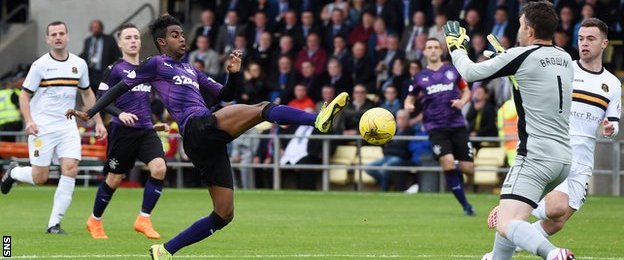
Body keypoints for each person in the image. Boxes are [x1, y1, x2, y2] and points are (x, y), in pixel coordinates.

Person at [64, 15, 349, 259]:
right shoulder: (155, 64)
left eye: (182, 34)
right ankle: (317, 120)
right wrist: (91, 113)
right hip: (196, 127)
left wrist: (233, 75)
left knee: (224, 214)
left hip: (204, 141)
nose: (182, 39)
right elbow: (118, 89)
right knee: (262, 109)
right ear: (162, 42)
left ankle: (164, 251)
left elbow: (226, 95)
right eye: (175, 35)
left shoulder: (191, 70)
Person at [443, 1, 576, 258]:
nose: (518, 29)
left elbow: (469, 73)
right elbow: (536, 86)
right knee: (507, 223)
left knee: (506, 223)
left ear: (529, 29)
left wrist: (456, 47)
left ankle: (552, 254)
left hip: (535, 157)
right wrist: (513, 71)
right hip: (562, 159)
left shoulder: (520, 55)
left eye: (520, 25)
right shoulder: (565, 58)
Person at [488, 17, 622, 256]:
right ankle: (512, 210)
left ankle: (509, 237)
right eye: (580, 39)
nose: (584, 44)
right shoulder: (565, 68)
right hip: (555, 149)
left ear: (604, 44)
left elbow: (613, 122)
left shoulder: (612, 84)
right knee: (554, 207)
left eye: (591, 39)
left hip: (583, 160)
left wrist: (611, 128)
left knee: (557, 220)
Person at [1, 21, 107, 234]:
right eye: (53, 34)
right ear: (48, 39)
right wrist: (29, 120)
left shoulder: (79, 64)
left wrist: (98, 122)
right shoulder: (40, 65)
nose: (58, 37)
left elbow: (86, 94)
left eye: (61, 33)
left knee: (70, 169)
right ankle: (14, 172)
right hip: (43, 128)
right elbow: (24, 95)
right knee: (40, 177)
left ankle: (54, 224)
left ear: (67, 36)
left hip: (68, 127)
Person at [84, 23, 170, 240]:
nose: (133, 40)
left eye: (135, 37)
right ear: (120, 43)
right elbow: (102, 100)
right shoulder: (114, 70)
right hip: (122, 132)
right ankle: (94, 220)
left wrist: (154, 124)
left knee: (159, 168)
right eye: (128, 38)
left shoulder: (147, 68)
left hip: (145, 131)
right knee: (114, 178)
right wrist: (119, 113)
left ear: (140, 42)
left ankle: (144, 219)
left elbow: (144, 103)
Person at [404, 37, 475, 216]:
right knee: (448, 162)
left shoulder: (452, 70)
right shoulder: (419, 77)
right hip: (435, 127)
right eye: (430, 47)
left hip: (457, 124)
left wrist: (462, 102)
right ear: (425, 52)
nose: (433, 50)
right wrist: (408, 105)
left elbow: (466, 90)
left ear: (441, 50)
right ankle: (466, 205)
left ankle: (453, 171)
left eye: (436, 47)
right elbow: (409, 97)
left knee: (468, 168)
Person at [364, 109, 413, 191]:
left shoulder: (410, 131)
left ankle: (384, 189)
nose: (401, 120)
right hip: (386, 156)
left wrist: (393, 145)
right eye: (399, 118)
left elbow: (402, 147)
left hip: (399, 158)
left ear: (408, 120)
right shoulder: (393, 130)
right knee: (368, 168)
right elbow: (386, 144)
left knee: (385, 168)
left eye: (404, 118)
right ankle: (388, 183)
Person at [79, 20, 121, 93]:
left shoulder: (109, 39)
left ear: (101, 28)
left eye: (97, 27)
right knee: (92, 94)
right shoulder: (88, 41)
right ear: (91, 29)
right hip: (91, 73)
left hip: (104, 72)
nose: (96, 29)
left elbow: (116, 55)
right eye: (93, 28)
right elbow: (85, 55)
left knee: (105, 95)